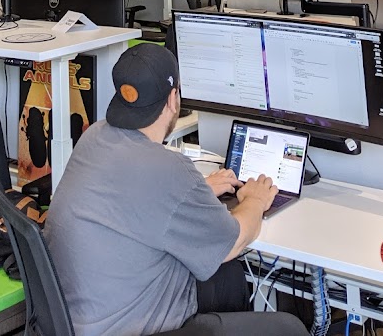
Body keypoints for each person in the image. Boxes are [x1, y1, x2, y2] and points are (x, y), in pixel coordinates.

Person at [44, 43, 309, 336]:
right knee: (289, 328)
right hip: (131, 328)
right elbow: (234, 241)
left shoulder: (94, 136)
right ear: (173, 98)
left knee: (229, 279)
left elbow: (133, 198)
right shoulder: (169, 168)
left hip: (75, 321)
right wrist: (256, 200)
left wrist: (195, 192)